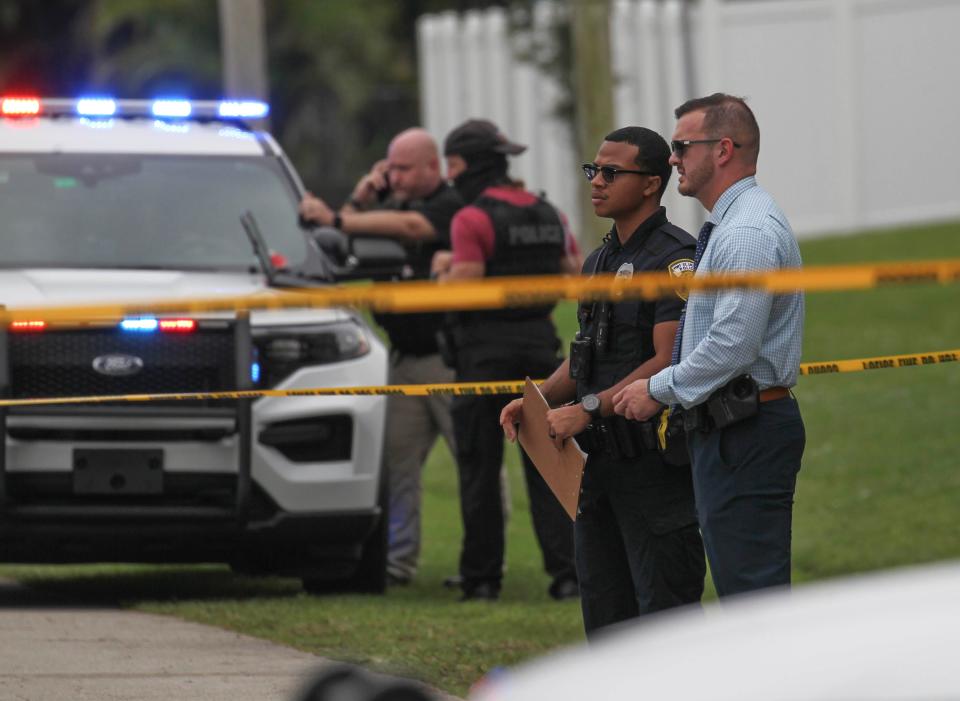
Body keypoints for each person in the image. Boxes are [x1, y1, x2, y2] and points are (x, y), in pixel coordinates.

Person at [500, 127, 705, 637]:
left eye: (612, 173)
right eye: (594, 170)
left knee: (665, 617)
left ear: (651, 184)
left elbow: (666, 359)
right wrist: (538, 400)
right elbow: (586, 355)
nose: (597, 182)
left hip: (653, 466)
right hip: (597, 466)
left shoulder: (674, 259)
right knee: (605, 615)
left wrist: (588, 408)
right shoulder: (599, 260)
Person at [612, 93, 806, 598]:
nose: (672, 157)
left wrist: (659, 388)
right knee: (743, 591)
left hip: (745, 430)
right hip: (731, 427)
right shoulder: (730, 225)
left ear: (722, 150)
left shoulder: (746, 232)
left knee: (751, 598)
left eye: (681, 145)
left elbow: (733, 345)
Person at [299, 128, 463, 585]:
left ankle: (482, 566)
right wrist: (359, 196)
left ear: (433, 167)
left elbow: (410, 229)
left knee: (472, 463)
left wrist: (339, 215)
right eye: (389, 167)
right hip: (404, 357)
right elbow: (336, 236)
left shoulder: (451, 205)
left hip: (447, 358)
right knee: (396, 466)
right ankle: (398, 562)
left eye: (404, 167)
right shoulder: (390, 207)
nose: (394, 175)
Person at [432, 119, 582, 602]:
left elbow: (469, 282)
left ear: (468, 165)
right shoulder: (548, 211)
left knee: (478, 466)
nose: (450, 177)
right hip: (539, 347)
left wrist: (440, 275)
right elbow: (574, 273)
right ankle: (568, 576)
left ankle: (481, 580)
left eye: (452, 166)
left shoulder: (471, 218)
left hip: (482, 352)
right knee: (548, 463)